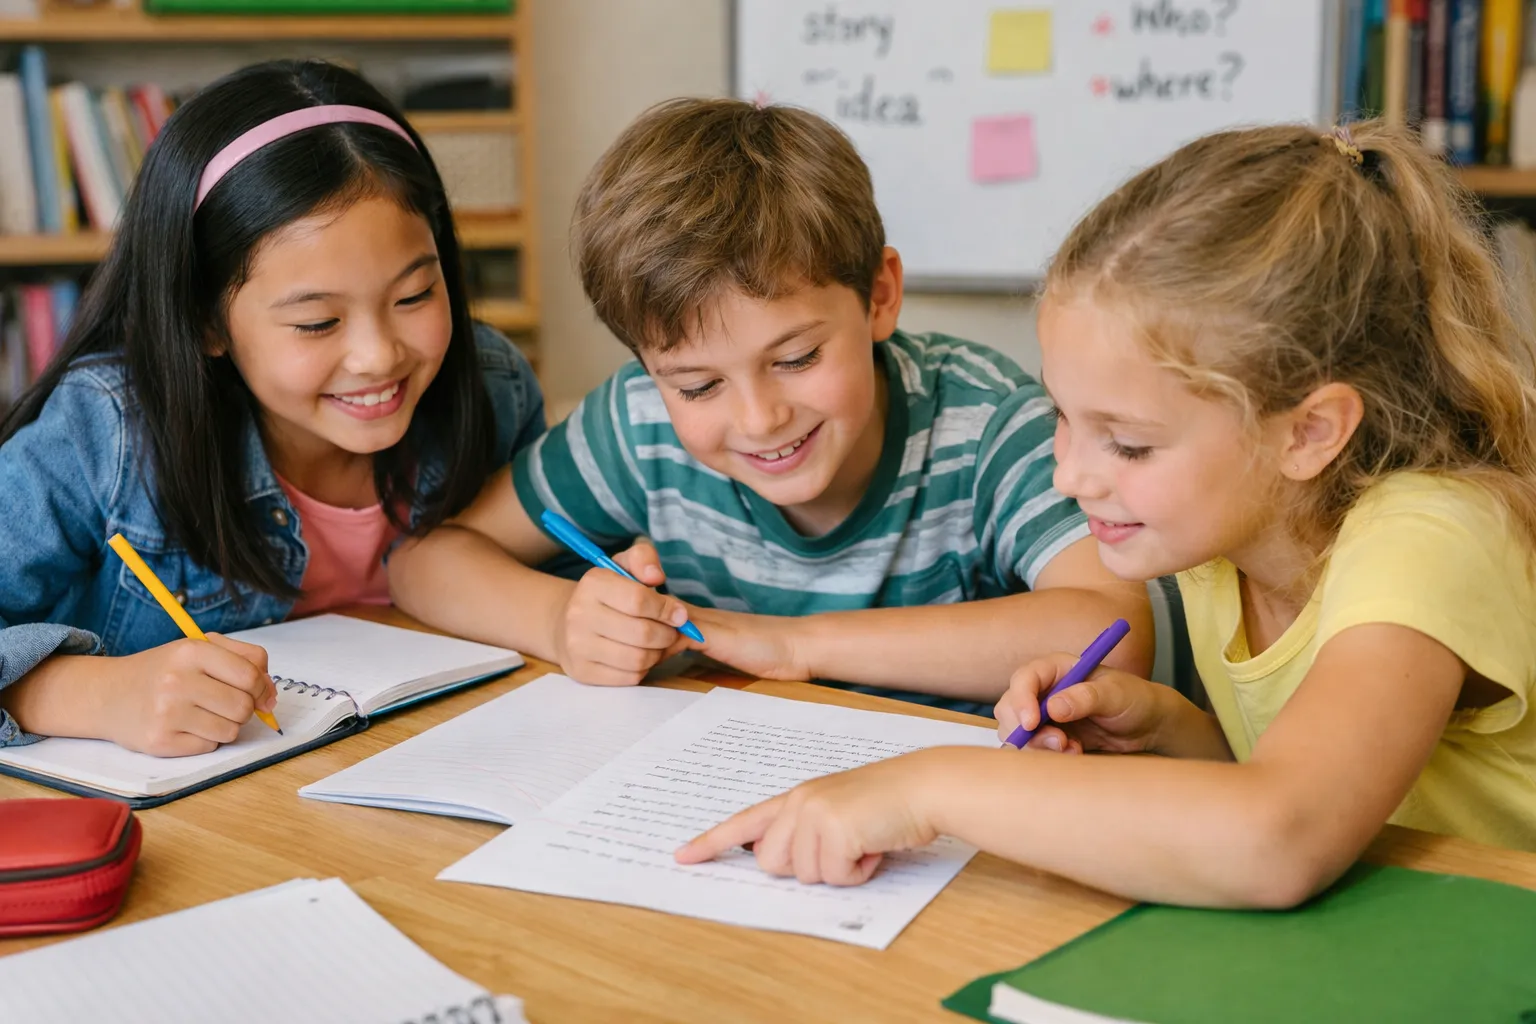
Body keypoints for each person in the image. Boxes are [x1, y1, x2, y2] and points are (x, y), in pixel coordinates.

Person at [677, 121, 1536, 905]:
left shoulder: (1432, 538)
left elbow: (1283, 836)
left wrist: (926, 787)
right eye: (1062, 418)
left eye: (1126, 445)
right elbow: (1319, 786)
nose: (1069, 477)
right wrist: (1169, 731)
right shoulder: (1217, 542)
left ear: (1308, 432)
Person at [389, 98, 1158, 714]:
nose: (759, 419)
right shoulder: (638, 424)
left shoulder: (986, 423)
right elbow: (425, 562)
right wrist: (560, 623)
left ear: (879, 296)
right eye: (697, 386)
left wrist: (790, 645)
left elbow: (1111, 632)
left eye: (795, 359)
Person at [0, 60, 545, 757]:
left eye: (414, 297)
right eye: (318, 323)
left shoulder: (492, 385)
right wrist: (93, 694)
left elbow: (553, 573)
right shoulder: (105, 432)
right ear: (207, 322)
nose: (379, 356)